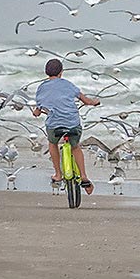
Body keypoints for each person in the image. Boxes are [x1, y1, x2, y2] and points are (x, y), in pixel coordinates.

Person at [32, 59, 100, 194]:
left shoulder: (41, 87)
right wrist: (94, 102)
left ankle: (58, 174)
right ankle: (84, 177)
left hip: (54, 125)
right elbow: (86, 100)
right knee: (75, 147)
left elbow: (38, 110)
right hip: (72, 123)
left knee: (52, 143)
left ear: (46, 72)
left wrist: (36, 112)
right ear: (61, 72)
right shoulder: (68, 85)